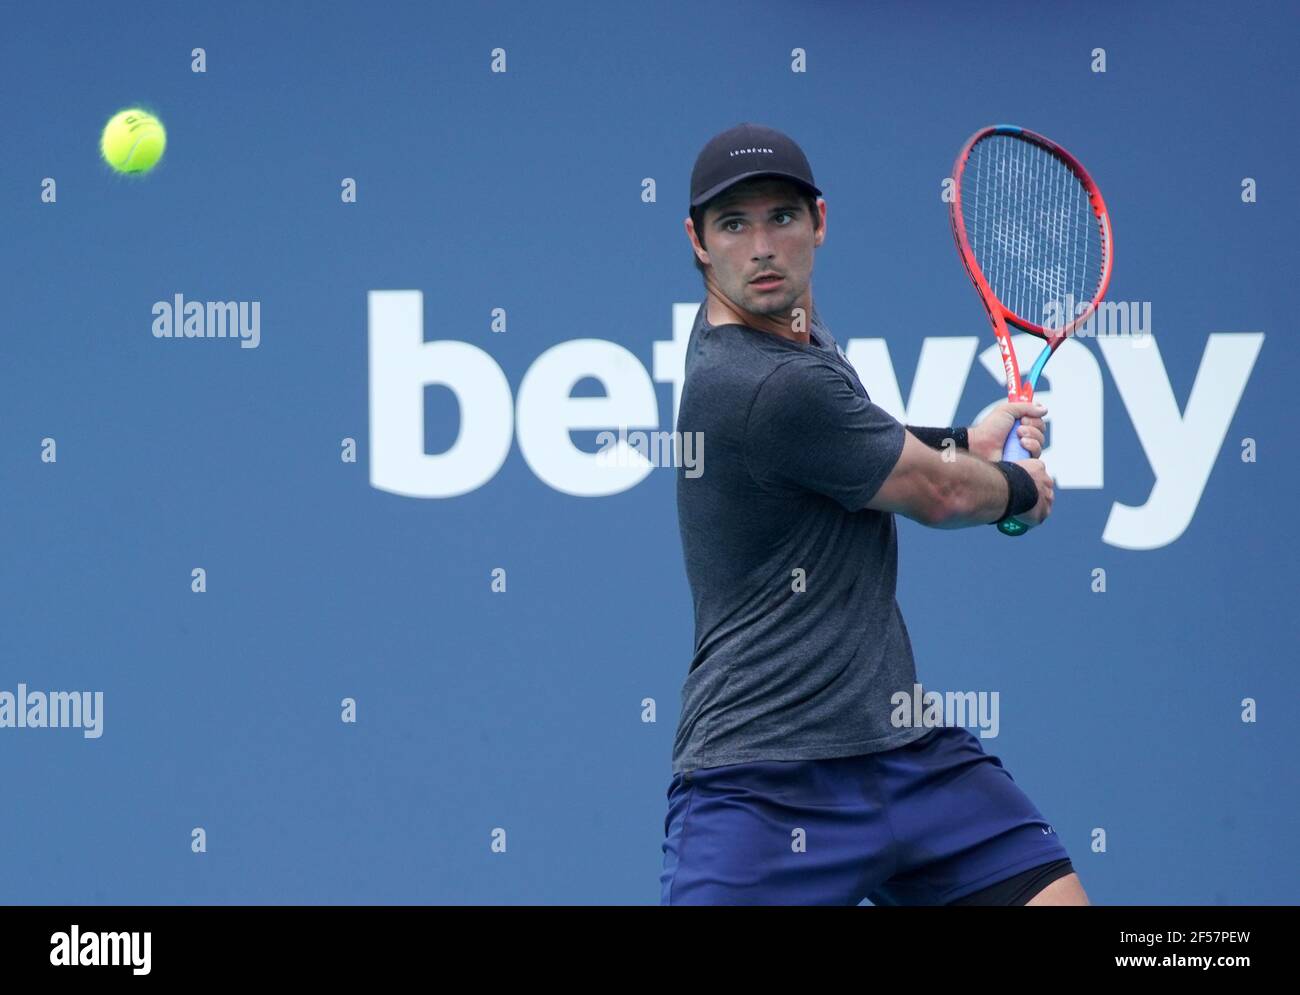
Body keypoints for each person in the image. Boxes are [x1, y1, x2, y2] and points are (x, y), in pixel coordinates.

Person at [660, 123, 1087, 906]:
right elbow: (942, 493)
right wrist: (1020, 490)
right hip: (762, 782)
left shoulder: (791, 338)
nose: (761, 247)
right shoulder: (760, 382)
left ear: (820, 221)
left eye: (781, 218)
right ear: (697, 241)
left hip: (905, 755)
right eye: (733, 224)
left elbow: (847, 451)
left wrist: (961, 438)